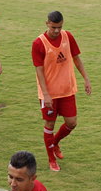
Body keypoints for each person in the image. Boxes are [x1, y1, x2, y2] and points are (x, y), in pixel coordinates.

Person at [32, 11, 92, 171]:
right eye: (53, 27)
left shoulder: (68, 36)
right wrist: (45, 94)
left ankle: (55, 142)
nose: (57, 31)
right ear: (47, 24)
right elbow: (39, 71)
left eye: (59, 27)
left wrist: (86, 78)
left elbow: (76, 57)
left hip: (67, 90)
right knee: (49, 124)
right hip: (49, 93)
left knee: (72, 122)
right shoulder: (39, 43)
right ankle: (51, 159)